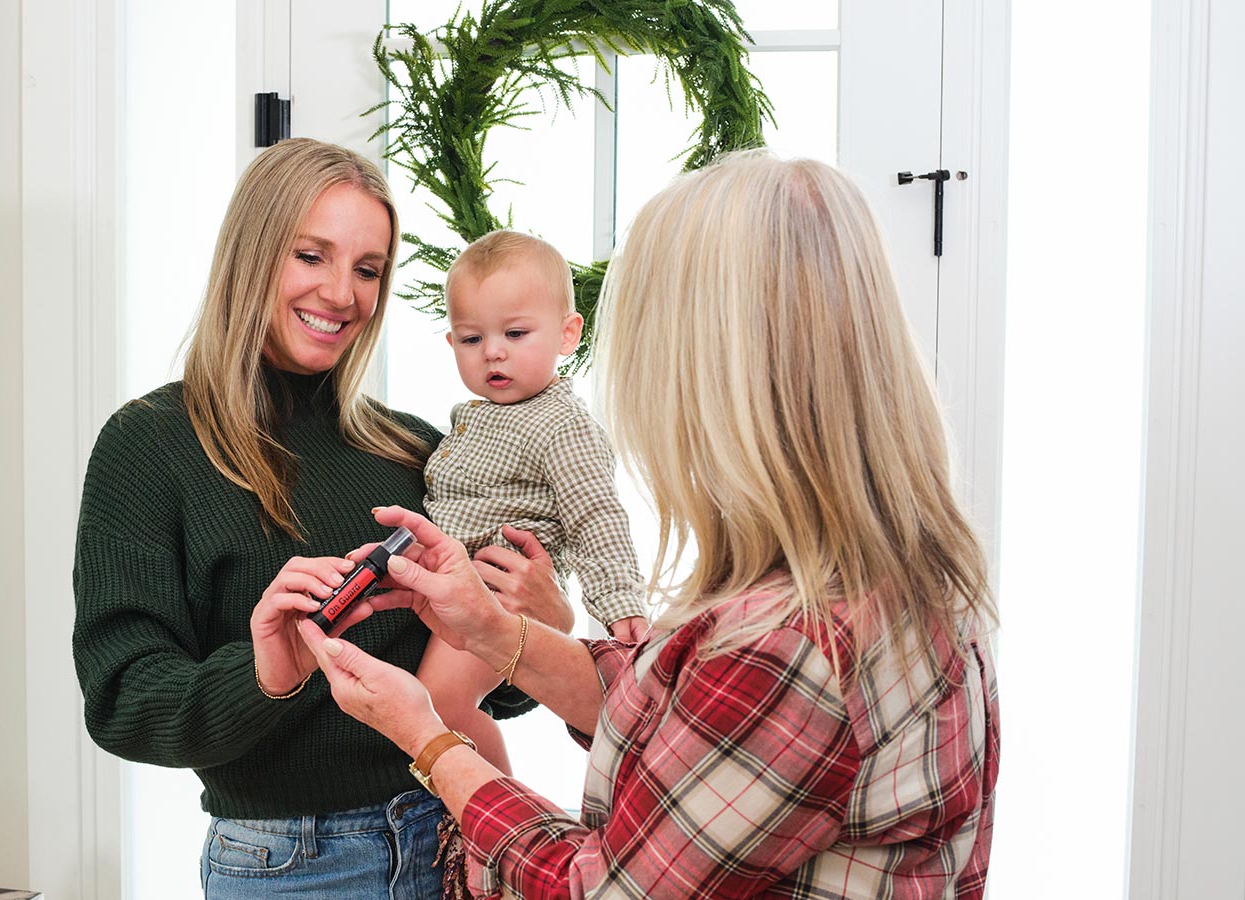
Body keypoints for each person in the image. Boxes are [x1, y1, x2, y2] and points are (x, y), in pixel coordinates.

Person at [296, 152, 1002, 899]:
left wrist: (430, 739)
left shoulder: (789, 646)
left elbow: (594, 891)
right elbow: (686, 711)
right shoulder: (886, 579)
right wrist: (496, 634)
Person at [70, 137, 570, 899]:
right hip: (293, 868)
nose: (343, 293)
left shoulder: (419, 448)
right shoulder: (148, 446)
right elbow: (123, 702)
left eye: (368, 269)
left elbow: (495, 696)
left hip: (452, 833)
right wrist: (270, 670)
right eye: (312, 256)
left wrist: (538, 619)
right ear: (253, 255)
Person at [416, 230, 649, 775]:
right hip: (454, 584)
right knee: (428, 700)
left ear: (568, 335)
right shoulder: (475, 415)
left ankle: (487, 818)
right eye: (472, 340)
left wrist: (620, 605)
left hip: (498, 594)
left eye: (515, 333)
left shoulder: (562, 424)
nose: (493, 351)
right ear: (452, 344)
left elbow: (596, 516)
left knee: (439, 704)